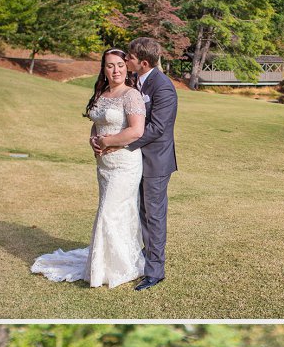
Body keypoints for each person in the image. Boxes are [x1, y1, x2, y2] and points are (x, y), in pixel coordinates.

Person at [31, 49, 146, 288]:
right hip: (104, 165)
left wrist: (107, 142)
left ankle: (120, 267)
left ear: (127, 67)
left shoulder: (131, 95)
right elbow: (97, 123)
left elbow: (136, 131)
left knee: (109, 212)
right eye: (110, 66)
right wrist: (94, 140)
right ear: (103, 69)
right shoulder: (102, 93)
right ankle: (106, 263)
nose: (116, 70)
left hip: (125, 164)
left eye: (120, 65)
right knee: (113, 212)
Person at [121, 37, 179, 290]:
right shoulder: (135, 80)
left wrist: (124, 144)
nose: (126, 60)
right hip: (135, 159)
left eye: (130, 57)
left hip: (156, 161)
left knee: (153, 215)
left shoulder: (163, 87)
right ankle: (140, 255)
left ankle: (155, 271)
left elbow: (157, 127)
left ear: (143, 63)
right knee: (139, 211)